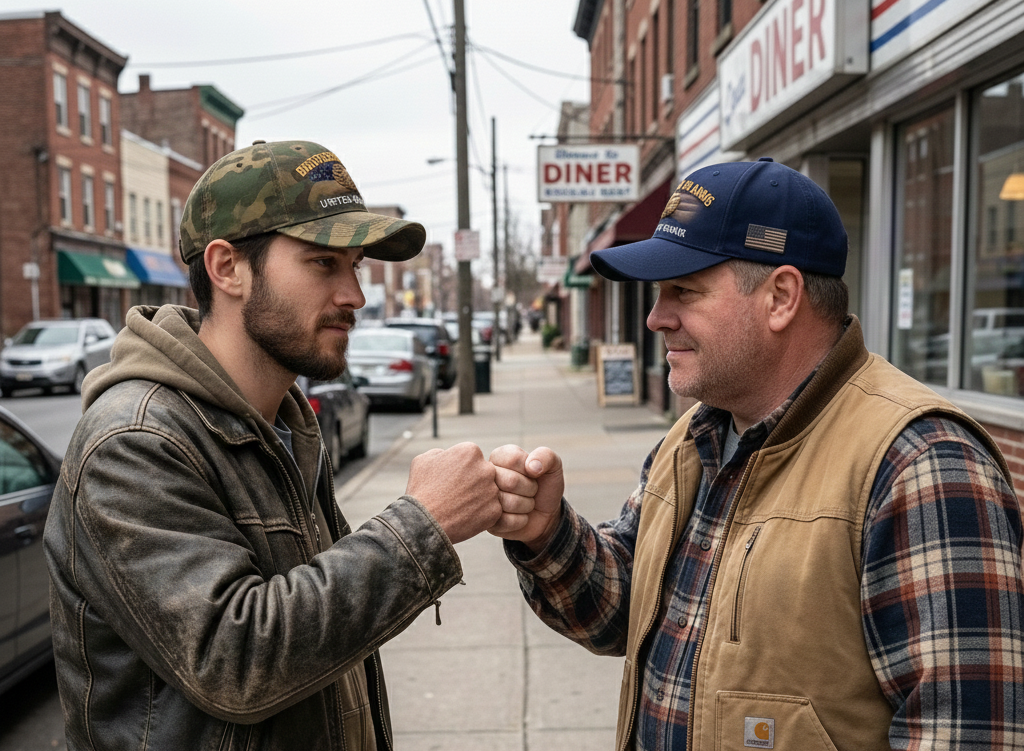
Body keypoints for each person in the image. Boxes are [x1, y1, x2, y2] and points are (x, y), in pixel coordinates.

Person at [490, 158, 1024, 750]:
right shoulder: (695, 436)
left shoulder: (922, 464)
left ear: (781, 296)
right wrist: (547, 535)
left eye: (683, 290)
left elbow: (970, 731)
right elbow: (626, 610)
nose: (655, 317)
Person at [43, 140, 523, 750]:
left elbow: (319, 641)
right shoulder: (134, 441)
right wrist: (423, 525)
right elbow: (234, 662)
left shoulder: (283, 426)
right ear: (227, 269)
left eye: (356, 266)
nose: (355, 295)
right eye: (324, 263)